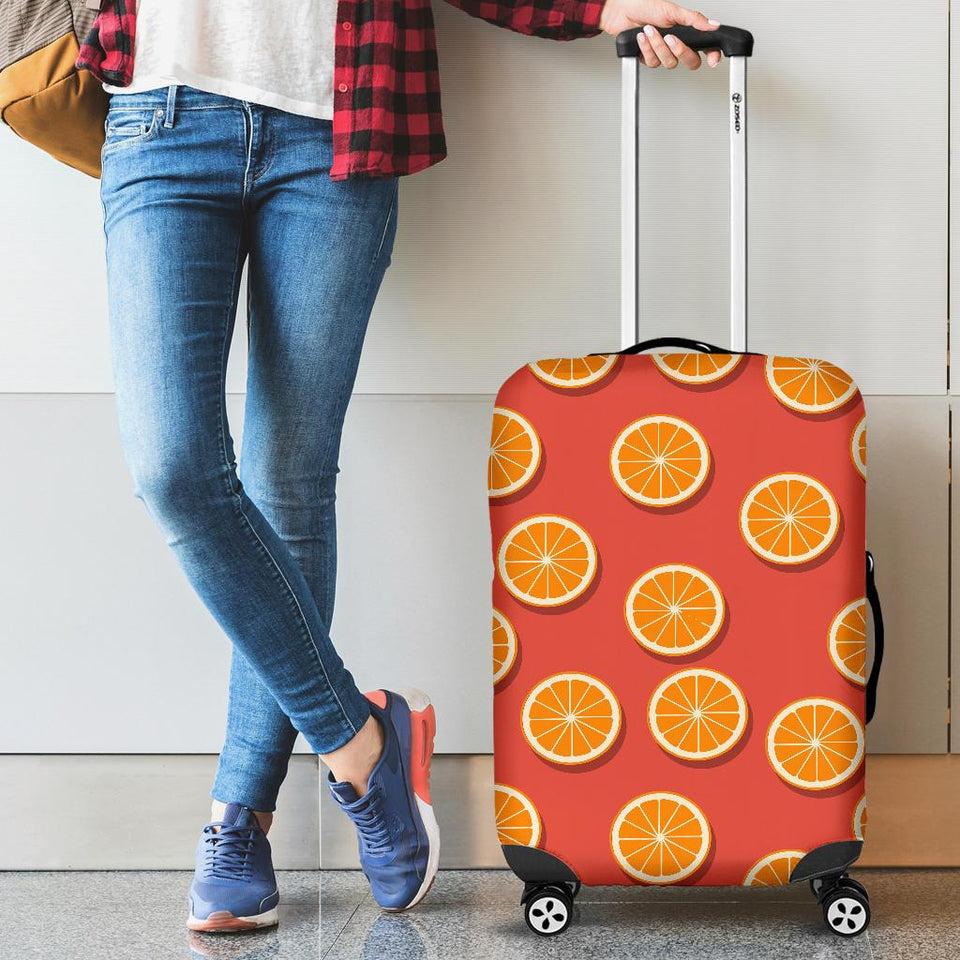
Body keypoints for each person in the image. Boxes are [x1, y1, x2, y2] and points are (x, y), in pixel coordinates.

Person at [76, 0, 723, 934]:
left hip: (336, 126)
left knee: (289, 480)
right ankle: (361, 739)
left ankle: (240, 820)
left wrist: (598, 8)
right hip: (159, 116)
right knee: (175, 468)